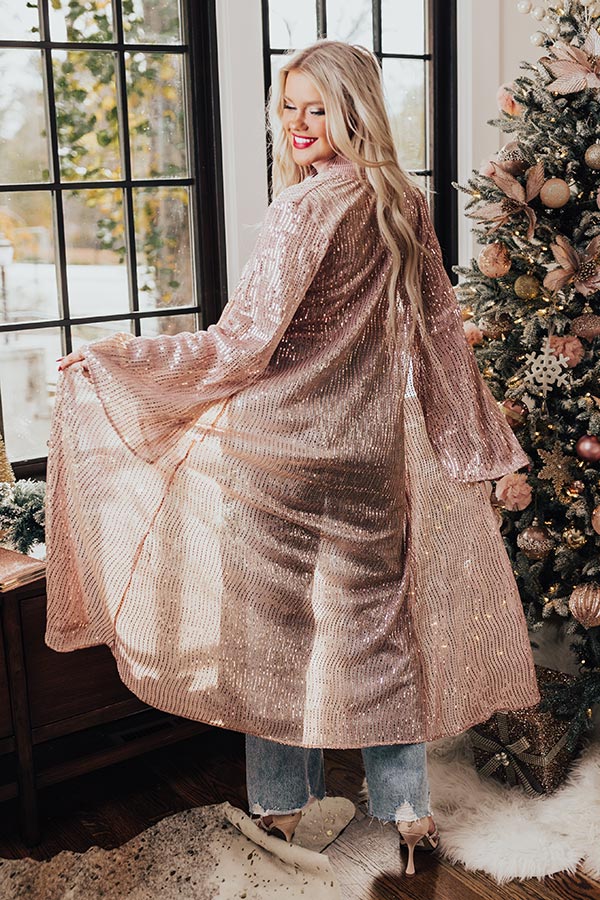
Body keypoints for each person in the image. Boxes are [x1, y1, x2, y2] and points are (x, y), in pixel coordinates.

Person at [49, 40, 540, 877]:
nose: (300, 123)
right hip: (369, 462)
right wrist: (483, 451)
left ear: (355, 111)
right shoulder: (402, 202)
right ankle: (409, 812)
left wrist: (118, 356)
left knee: (273, 640)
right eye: (290, 106)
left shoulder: (302, 209)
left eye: (319, 107)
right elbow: (441, 343)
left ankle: (280, 811)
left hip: (276, 458)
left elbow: (238, 343)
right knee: (378, 635)